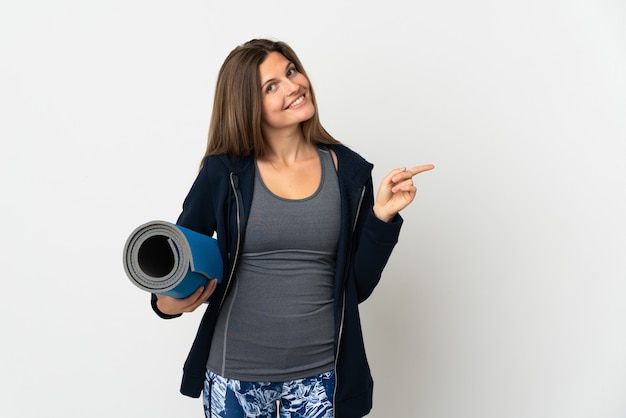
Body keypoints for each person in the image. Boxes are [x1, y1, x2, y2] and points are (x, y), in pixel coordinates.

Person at [151, 38, 434, 418]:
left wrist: (381, 218)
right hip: (236, 375)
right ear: (248, 105)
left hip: (321, 379)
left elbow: (357, 287)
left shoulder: (349, 172)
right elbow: (178, 256)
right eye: (272, 86)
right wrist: (166, 303)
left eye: (291, 71)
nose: (293, 85)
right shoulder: (225, 173)